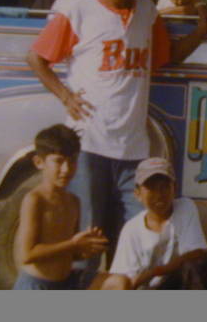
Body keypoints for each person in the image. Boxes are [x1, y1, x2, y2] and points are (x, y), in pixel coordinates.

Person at [26, 0, 207, 271]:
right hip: (89, 143)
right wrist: (66, 96)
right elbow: (36, 58)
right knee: (89, 241)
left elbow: (165, 58)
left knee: (136, 241)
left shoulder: (146, 10)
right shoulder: (78, 12)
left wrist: (204, 28)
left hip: (134, 149)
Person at [13, 124, 130, 290]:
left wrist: (85, 248)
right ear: (39, 162)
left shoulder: (73, 201)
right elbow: (27, 255)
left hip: (68, 282)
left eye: (72, 161)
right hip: (38, 285)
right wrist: (73, 245)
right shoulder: (35, 199)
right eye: (58, 161)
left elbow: (70, 253)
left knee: (119, 283)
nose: (66, 169)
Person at [109, 157, 207, 289]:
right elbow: (124, 279)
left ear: (174, 188)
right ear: (138, 194)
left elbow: (196, 254)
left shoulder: (185, 207)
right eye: (151, 188)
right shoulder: (131, 229)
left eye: (164, 187)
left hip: (178, 284)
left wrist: (154, 272)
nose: (159, 194)